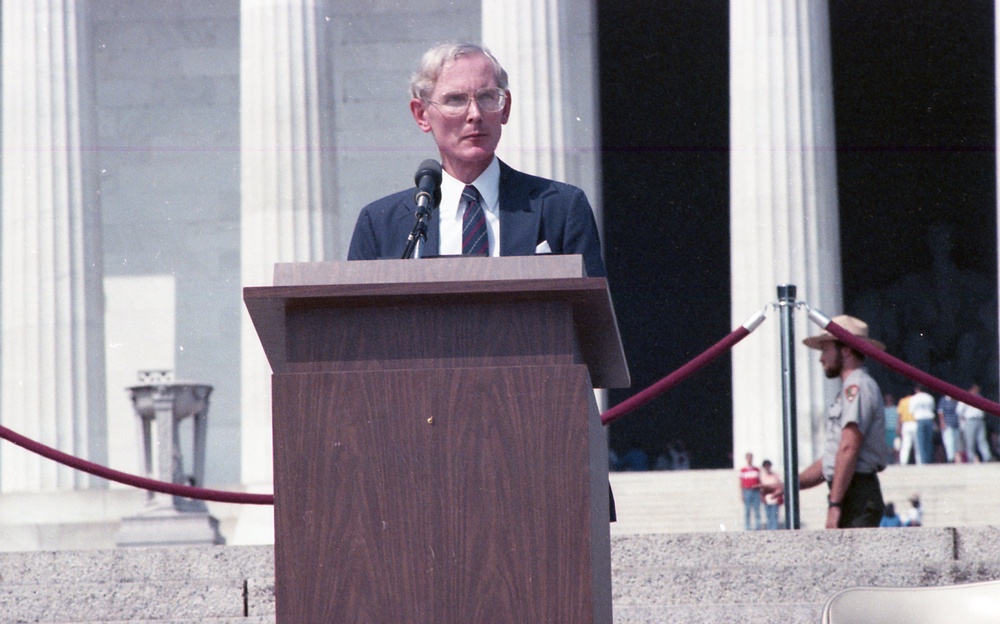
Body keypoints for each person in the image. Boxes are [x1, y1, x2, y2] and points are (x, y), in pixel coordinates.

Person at [347, 42, 606, 279]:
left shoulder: (560, 207)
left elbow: (590, 321)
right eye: (455, 100)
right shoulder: (380, 223)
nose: (475, 114)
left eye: (487, 97)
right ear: (422, 114)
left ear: (505, 108)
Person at [791, 315, 890, 528]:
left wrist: (835, 504)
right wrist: (790, 485)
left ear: (845, 350)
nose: (821, 358)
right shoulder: (850, 389)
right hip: (850, 491)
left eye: (826, 349)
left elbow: (848, 448)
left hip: (856, 494)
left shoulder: (859, 387)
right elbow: (833, 457)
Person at [956, 383, 993, 463]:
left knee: (982, 439)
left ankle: (987, 457)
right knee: (970, 441)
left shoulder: (979, 397)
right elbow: (959, 411)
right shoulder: (965, 397)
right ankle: (971, 458)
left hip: (979, 420)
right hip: (970, 420)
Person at [909, 384, 937, 464]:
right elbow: (932, 409)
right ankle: (928, 459)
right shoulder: (929, 397)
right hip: (929, 418)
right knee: (928, 441)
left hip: (920, 419)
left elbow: (911, 411)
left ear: (917, 389)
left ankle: (923, 460)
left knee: (921, 441)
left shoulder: (914, 398)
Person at [739, 452, 762, 531]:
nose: (749, 459)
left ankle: (757, 526)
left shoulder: (757, 469)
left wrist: (761, 492)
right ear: (746, 459)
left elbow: (759, 480)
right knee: (747, 510)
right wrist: (742, 494)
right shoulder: (743, 470)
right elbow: (741, 482)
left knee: (757, 510)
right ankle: (747, 526)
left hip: (756, 491)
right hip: (747, 491)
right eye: (748, 458)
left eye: (751, 457)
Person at [759, 459, 784, 530]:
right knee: (768, 515)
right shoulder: (762, 477)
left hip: (775, 497)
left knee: (775, 514)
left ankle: (774, 528)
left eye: (768, 466)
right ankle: (770, 528)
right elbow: (761, 488)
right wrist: (762, 496)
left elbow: (779, 485)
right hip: (766, 497)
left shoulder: (775, 475)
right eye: (766, 466)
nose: (767, 468)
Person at [937, 393, 961, 463]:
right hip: (947, 423)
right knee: (949, 442)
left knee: (956, 442)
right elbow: (940, 413)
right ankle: (950, 458)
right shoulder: (943, 400)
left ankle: (955, 458)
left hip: (956, 424)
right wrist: (942, 422)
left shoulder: (955, 400)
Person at [896, 390, 917, 465]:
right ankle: (920, 461)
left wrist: (898, 427)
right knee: (917, 445)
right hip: (915, 423)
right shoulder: (915, 400)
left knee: (905, 444)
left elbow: (899, 415)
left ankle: (903, 462)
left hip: (906, 424)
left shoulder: (902, 401)